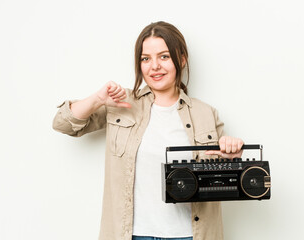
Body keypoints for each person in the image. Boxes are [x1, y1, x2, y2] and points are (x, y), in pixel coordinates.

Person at [53, 21, 244, 240]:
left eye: (164, 56)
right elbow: (62, 123)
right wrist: (97, 100)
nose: (154, 66)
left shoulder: (206, 113)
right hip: (133, 234)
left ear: (181, 59)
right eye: (146, 59)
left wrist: (231, 159)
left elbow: (223, 180)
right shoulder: (120, 103)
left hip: (191, 235)